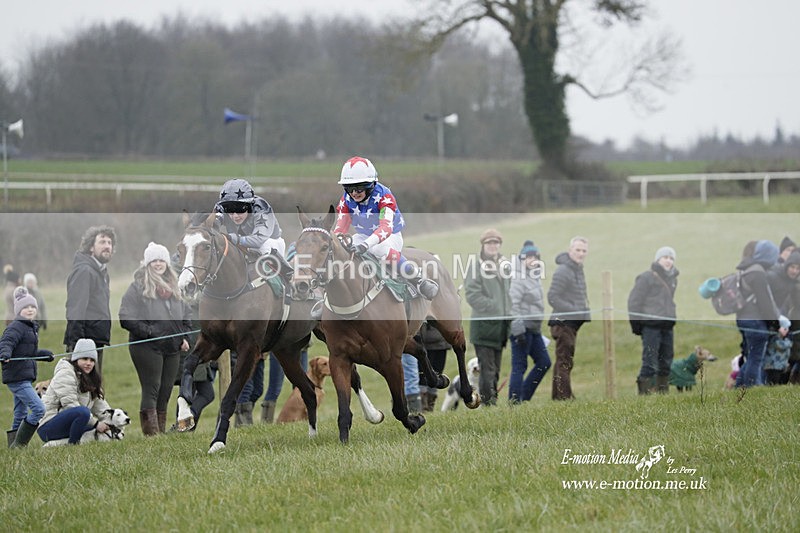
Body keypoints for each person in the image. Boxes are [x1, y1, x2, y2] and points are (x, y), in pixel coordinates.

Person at [333, 156, 438, 299]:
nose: (354, 193)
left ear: (371, 185)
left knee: (378, 249)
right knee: (342, 250)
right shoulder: (346, 199)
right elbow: (340, 227)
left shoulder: (385, 196)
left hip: (390, 236)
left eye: (359, 188)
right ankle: (329, 297)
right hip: (363, 236)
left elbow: (385, 228)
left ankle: (418, 279)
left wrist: (365, 245)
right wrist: (337, 242)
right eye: (349, 188)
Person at [119, 242, 193, 435]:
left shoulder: (174, 286)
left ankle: (159, 432)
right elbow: (126, 317)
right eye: (154, 261)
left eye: (162, 260)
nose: (158, 264)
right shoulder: (138, 287)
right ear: (147, 264)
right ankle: (151, 435)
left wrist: (184, 336)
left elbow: (186, 314)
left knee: (166, 389)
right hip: (146, 347)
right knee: (152, 388)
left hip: (172, 347)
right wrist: (149, 332)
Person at [1, 287, 54, 447]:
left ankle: (13, 448)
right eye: (25, 307)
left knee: (20, 413)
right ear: (18, 311)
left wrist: (45, 355)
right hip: (17, 378)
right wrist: (4, 354)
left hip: (24, 376)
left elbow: (28, 352)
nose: (30, 310)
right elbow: (6, 342)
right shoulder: (16, 326)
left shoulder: (30, 327)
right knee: (39, 409)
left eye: (32, 307)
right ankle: (19, 444)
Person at [464, 228, 511, 406]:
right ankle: (489, 404)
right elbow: (472, 295)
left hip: (500, 328)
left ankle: (492, 401)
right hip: (484, 327)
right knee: (488, 369)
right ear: (483, 245)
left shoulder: (504, 266)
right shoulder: (476, 266)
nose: (493, 246)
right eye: (489, 243)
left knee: (496, 369)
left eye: (496, 243)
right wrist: (495, 307)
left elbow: (509, 292)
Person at [734, 240, 788, 388]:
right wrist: (776, 325)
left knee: (751, 356)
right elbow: (766, 303)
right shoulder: (758, 273)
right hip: (755, 321)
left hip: (743, 319)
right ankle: (753, 387)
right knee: (756, 357)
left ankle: (738, 387)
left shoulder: (747, 269)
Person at [214, 178, 292, 281]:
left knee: (263, 246)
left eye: (240, 210)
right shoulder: (221, 207)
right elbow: (211, 227)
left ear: (249, 205)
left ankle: (285, 280)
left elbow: (258, 241)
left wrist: (232, 238)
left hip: (269, 243)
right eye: (230, 211)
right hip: (239, 242)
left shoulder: (261, 208)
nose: (235, 216)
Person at [38, 338, 112, 446]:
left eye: (92, 360)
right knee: (83, 412)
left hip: (73, 423)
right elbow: (71, 406)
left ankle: (60, 444)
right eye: (84, 359)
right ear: (76, 359)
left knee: (87, 419)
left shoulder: (91, 378)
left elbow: (101, 407)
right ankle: (73, 444)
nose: (88, 363)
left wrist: (113, 421)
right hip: (48, 427)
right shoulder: (65, 373)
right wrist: (96, 424)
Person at [627, 246, 679, 395]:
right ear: (657, 259)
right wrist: (637, 326)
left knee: (666, 362)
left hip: (667, 326)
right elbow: (634, 302)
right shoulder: (646, 277)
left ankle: (663, 394)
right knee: (649, 362)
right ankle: (645, 396)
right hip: (650, 326)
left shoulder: (673, 279)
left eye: (671, 258)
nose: (668, 261)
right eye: (665, 257)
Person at [64, 225, 115, 375]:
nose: (107, 246)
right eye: (102, 242)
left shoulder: (102, 272)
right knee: (78, 390)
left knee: (93, 391)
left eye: (110, 243)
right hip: (84, 343)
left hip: (96, 341)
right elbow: (75, 309)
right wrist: (79, 345)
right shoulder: (84, 271)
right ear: (91, 247)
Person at [547, 236, 591, 401]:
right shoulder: (564, 270)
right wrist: (575, 311)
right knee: (564, 361)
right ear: (570, 251)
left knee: (563, 359)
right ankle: (564, 397)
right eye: (577, 250)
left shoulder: (577, 269)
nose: (580, 253)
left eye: (584, 251)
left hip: (571, 323)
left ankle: (558, 396)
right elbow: (552, 297)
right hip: (563, 322)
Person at [508, 240, 551, 403]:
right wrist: (518, 331)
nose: (532, 260)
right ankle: (514, 402)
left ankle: (523, 397)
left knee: (544, 362)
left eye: (535, 257)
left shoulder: (535, 276)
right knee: (519, 367)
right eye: (529, 257)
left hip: (534, 329)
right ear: (522, 259)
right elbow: (513, 306)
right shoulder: (518, 278)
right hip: (522, 330)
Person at [417, 322, 451, 412]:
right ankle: (423, 407)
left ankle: (429, 407)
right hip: (425, 343)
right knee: (423, 377)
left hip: (441, 342)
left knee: (437, 375)